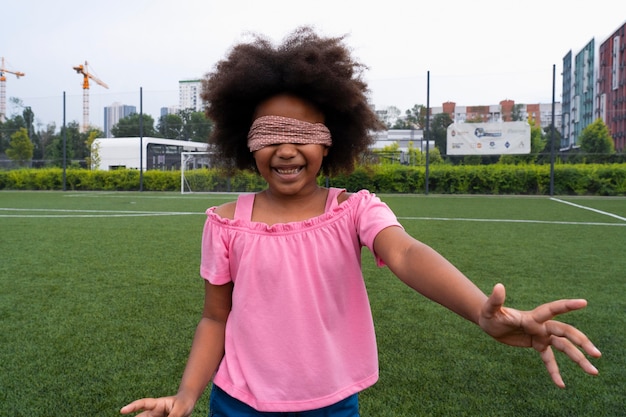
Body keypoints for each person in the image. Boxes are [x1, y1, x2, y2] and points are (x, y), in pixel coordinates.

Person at [120, 27, 601, 417]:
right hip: (238, 405)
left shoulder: (354, 209)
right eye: (269, 134)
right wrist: (186, 396)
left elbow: (406, 252)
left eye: (303, 134)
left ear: (330, 141)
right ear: (245, 142)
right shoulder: (224, 223)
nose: (286, 149)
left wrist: (480, 310)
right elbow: (215, 316)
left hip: (334, 405)